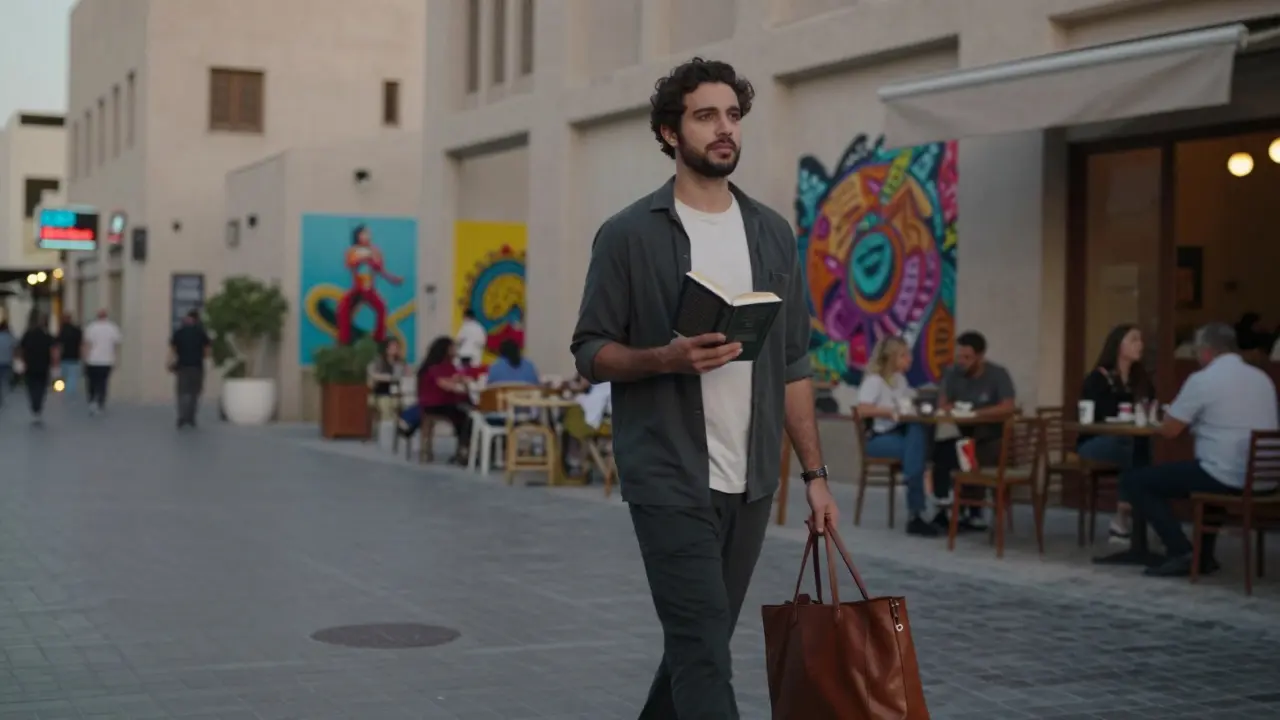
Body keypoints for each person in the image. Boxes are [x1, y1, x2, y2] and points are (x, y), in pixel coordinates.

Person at [570, 57, 837, 719]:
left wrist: (816, 476)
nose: (725, 129)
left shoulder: (773, 234)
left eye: (733, 115)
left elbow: (794, 363)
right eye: (705, 115)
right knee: (704, 650)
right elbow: (589, 352)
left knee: (701, 642)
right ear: (669, 133)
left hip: (749, 484)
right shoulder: (629, 235)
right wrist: (665, 357)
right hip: (667, 474)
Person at [1120, 322, 1278, 578]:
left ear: (1206, 352)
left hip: (1226, 475)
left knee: (1136, 481)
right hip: (1265, 478)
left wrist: (1159, 418)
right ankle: (1204, 558)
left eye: (1196, 352)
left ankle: (1181, 551)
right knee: (1208, 475)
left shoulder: (1204, 379)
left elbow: (1171, 430)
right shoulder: (1262, 379)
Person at [931, 330, 1017, 532]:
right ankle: (945, 508)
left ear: (980, 356)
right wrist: (951, 409)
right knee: (942, 452)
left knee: (966, 454)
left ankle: (971, 511)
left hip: (992, 438)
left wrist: (977, 413)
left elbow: (1008, 406)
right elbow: (943, 404)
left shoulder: (997, 374)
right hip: (963, 435)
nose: (962, 361)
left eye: (967, 357)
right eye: (959, 356)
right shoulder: (953, 374)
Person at [1077, 323, 1153, 543]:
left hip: (1127, 443)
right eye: (1134, 340)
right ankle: (1126, 513)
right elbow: (1091, 416)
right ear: (1118, 346)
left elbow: (1150, 404)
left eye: (1140, 340)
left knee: (1140, 445)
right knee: (1132, 446)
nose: (1140, 345)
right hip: (1093, 443)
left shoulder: (1140, 378)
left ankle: (1125, 517)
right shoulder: (1098, 378)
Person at [856, 336, 936, 537]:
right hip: (878, 439)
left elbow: (910, 400)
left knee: (917, 433)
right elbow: (863, 410)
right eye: (904, 355)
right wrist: (892, 412)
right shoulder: (875, 381)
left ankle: (916, 509)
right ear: (891, 358)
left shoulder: (900, 380)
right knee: (917, 449)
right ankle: (916, 512)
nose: (909, 359)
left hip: (900, 433)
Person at [398, 336, 472, 463]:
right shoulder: (433, 368)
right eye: (453, 347)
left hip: (443, 402)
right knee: (465, 417)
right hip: (435, 404)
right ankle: (464, 451)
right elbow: (443, 383)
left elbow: (456, 379)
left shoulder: (447, 366)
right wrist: (458, 383)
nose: (455, 350)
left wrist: (461, 381)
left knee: (465, 414)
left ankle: (464, 450)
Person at [337, 225, 403, 345]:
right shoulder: (352, 250)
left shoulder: (375, 251)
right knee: (343, 309)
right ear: (357, 236)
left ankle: (379, 339)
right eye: (364, 233)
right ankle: (344, 340)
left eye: (368, 233)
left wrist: (393, 279)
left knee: (382, 308)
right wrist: (364, 258)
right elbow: (350, 263)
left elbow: (379, 268)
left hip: (369, 289)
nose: (367, 236)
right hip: (357, 288)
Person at [15, 310, 59, 425]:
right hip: (44, 366)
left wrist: (20, 363)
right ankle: (38, 406)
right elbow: (54, 351)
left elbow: (20, 349)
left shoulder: (27, 334)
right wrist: (55, 365)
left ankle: (35, 405)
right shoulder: (47, 336)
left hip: (30, 365)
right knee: (42, 387)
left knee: (31, 387)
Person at [169, 309, 210, 428]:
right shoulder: (201, 332)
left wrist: (169, 363)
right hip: (197, 366)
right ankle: (191, 417)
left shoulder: (179, 332)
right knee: (194, 393)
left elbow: (173, 349)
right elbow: (207, 350)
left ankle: (181, 416)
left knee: (182, 393)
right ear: (197, 320)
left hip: (182, 366)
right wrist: (202, 356)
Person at [83, 309, 123, 415]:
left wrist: (85, 357)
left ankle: (92, 400)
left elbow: (87, 344)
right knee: (103, 382)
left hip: (93, 360)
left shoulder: (91, 327)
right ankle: (101, 402)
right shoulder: (113, 328)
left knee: (92, 382)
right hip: (106, 360)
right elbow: (116, 344)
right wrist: (115, 358)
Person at [367, 337, 407, 421]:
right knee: (386, 407)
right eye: (392, 346)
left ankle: (400, 428)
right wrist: (387, 378)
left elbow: (403, 377)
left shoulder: (399, 363)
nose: (394, 349)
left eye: (396, 347)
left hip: (396, 394)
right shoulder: (378, 361)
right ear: (386, 348)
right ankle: (387, 429)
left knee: (406, 405)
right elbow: (372, 375)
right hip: (381, 393)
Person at [57, 313, 83, 400]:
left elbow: (58, 344)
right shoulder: (77, 330)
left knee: (64, 375)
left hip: (64, 357)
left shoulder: (62, 331)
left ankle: (63, 392)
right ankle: (71, 393)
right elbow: (81, 344)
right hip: (75, 357)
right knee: (73, 377)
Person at [0, 320, 15, 410]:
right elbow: (16, 344)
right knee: (5, 381)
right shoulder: (9, 337)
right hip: (7, 362)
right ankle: (4, 398)